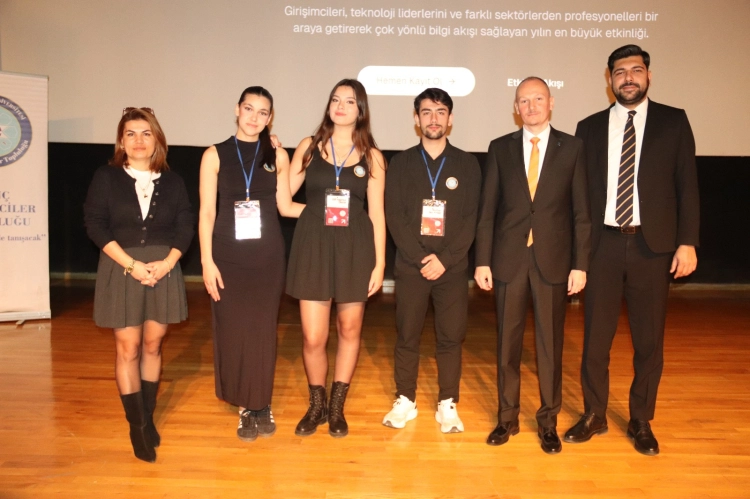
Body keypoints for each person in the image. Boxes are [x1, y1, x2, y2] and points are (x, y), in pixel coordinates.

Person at [564, 45, 699, 456]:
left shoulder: (673, 122)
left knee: (648, 341)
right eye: (620, 72)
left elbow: (687, 186)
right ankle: (594, 414)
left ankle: (641, 418)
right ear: (609, 79)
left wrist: (688, 241)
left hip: (652, 247)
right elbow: (578, 196)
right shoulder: (588, 127)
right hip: (601, 246)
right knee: (595, 340)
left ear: (648, 76)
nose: (628, 78)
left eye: (636, 70)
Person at [474, 77, 591, 453]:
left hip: (553, 261)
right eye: (524, 101)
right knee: (507, 345)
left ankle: (548, 421)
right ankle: (506, 418)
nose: (531, 106)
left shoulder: (572, 148)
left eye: (538, 98)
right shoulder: (500, 148)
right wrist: (482, 261)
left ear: (551, 102)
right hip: (508, 260)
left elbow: (581, 213)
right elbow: (487, 212)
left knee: (550, 347)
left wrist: (580, 264)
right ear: (516, 107)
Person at [84, 107, 194, 463]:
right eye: (130, 133)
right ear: (121, 140)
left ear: (157, 139)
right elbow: (95, 224)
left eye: (146, 133)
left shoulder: (173, 182)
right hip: (122, 269)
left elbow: (185, 225)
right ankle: (138, 427)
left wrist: (167, 263)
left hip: (163, 270)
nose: (138, 140)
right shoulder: (106, 177)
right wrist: (132, 265)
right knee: (128, 348)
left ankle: (147, 416)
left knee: (152, 344)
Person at [199, 86, 303, 442]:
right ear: (237, 110)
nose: (254, 117)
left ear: (270, 117)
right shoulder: (214, 155)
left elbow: (286, 206)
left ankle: (261, 403)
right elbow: (207, 212)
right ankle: (245, 405)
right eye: (249, 109)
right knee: (233, 330)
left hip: (267, 257)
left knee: (261, 331)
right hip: (227, 256)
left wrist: (330, 213)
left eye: (262, 112)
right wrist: (206, 261)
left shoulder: (277, 154)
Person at [286, 78, 386, 438]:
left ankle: (337, 408)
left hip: (355, 247)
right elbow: (284, 202)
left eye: (350, 101)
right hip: (314, 245)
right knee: (314, 337)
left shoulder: (373, 157)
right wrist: (317, 213)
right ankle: (317, 405)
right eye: (335, 100)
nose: (341, 106)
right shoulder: (308, 147)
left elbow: (377, 214)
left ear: (361, 110)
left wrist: (380, 264)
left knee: (349, 329)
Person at [382, 88, 481, 433]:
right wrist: (421, 257)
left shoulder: (467, 164)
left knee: (451, 337)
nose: (433, 119)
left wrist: (446, 259)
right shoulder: (401, 163)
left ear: (450, 119)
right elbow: (394, 216)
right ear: (416, 119)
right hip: (412, 266)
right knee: (407, 335)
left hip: (452, 268)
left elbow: (471, 219)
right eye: (426, 112)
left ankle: (447, 403)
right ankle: (405, 400)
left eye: (440, 112)